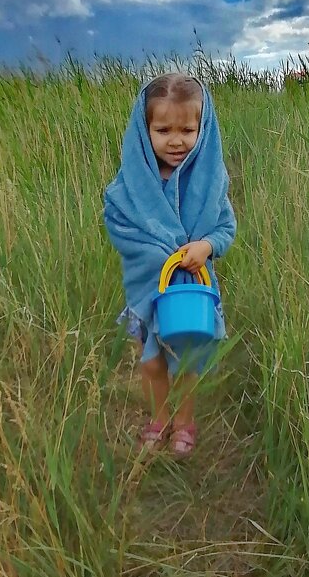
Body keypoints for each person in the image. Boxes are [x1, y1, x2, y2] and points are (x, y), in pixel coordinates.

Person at [103, 73, 236, 456]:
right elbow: (120, 227)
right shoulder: (129, 186)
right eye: (163, 130)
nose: (176, 140)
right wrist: (167, 253)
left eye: (187, 130)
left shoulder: (209, 181)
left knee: (187, 363)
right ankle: (159, 418)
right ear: (144, 132)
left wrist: (206, 246)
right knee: (151, 365)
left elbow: (226, 226)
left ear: (203, 128)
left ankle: (184, 424)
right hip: (147, 292)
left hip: (191, 294)